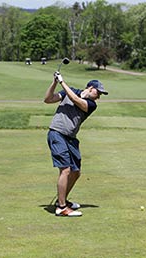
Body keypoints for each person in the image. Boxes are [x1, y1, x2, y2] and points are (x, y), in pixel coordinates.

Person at [43, 72, 107, 217]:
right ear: (90, 88)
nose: (99, 96)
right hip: (57, 134)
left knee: (75, 172)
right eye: (98, 92)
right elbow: (47, 99)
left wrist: (62, 82)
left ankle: (62, 199)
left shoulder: (91, 105)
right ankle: (62, 207)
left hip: (70, 138)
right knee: (65, 170)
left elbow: (75, 99)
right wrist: (55, 82)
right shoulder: (68, 91)